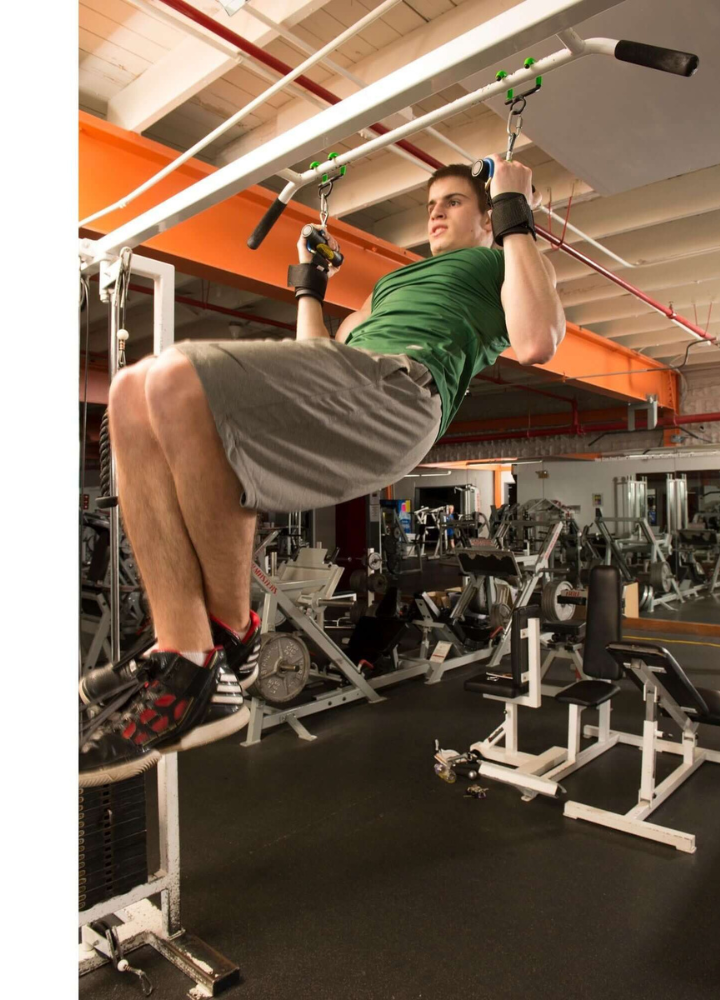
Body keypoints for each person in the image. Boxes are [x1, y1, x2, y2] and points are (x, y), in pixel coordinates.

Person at [79, 154, 566, 786]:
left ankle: (214, 645)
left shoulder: (503, 260)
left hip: (404, 393)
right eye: (431, 204)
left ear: (486, 215)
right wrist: (311, 287)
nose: (436, 213)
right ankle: (197, 650)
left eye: (453, 201)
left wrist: (514, 210)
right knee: (131, 395)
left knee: (175, 377)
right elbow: (320, 355)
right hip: (357, 384)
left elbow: (537, 339)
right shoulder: (390, 287)